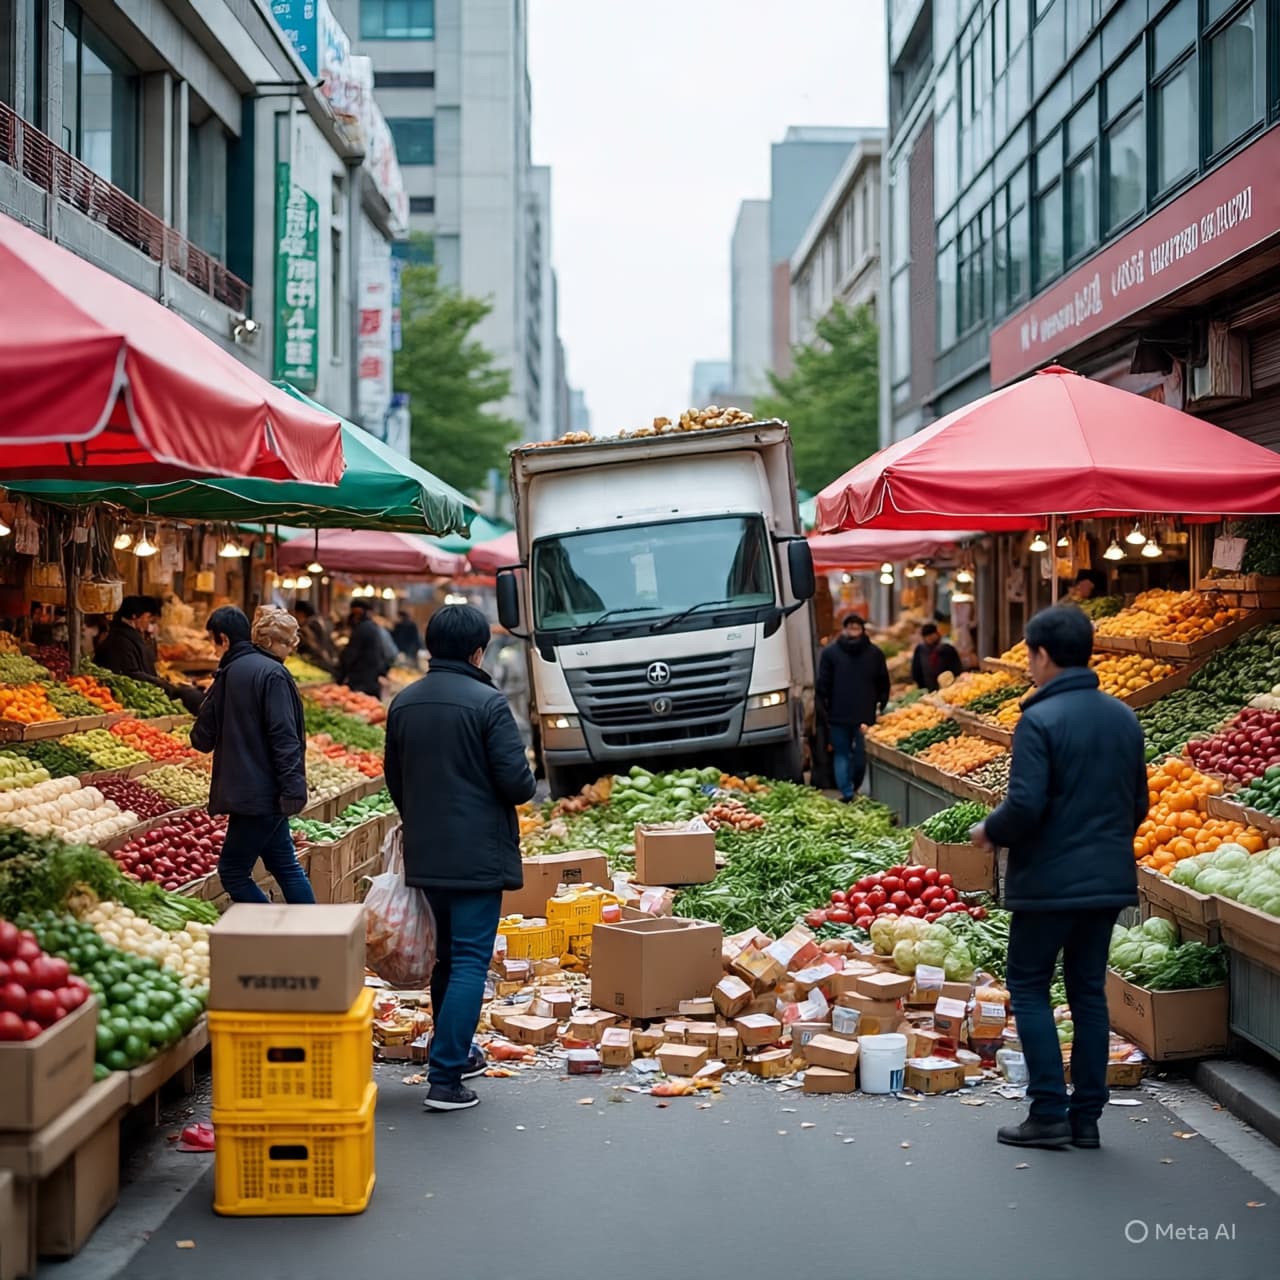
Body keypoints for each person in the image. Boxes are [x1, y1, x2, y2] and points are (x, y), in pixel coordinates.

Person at [971, 605, 1146, 1151]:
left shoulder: (1038, 721)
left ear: (1043, 655)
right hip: (1107, 879)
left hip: (1048, 883)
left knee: (1028, 987)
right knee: (1088, 993)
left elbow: (1024, 806)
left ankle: (1048, 1110)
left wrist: (989, 829)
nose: (1027, 666)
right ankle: (1087, 1118)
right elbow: (1138, 804)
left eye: (1028, 654)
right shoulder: (1124, 717)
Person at [383, 604, 536, 1113]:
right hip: (477, 853)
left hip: (427, 852)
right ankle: (446, 1079)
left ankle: (452, 1056)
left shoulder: (404, 702)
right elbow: (518, 785)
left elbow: (395, 780)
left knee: (446, 957)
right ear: (478, 650)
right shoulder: (488, 704)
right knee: (470, 958)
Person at [190, 606, 315, 905]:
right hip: (268, 793)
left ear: (222, 639)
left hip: (251, 796)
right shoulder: (273, 674)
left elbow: (200, 738)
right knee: (285, 865)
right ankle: (312, 938)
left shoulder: (229, 673)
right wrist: (292, 789)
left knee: (234, 872)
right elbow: (285, 739)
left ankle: (273, 936)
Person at [816, 613, 890, 802]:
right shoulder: (873, 653)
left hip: (844, 713)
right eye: (852, 627)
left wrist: (824, 707)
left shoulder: (831, 653)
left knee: (847, 755)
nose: (853, 631)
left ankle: (849, 790)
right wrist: (882, 701)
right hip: (858, 714)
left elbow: (823, 685)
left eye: (856, 628)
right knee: (855, 754)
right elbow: (884, 682)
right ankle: (851, 790)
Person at [96, 597, 204, 714]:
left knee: (191, 695)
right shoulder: (120, 640)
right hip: (133, 694)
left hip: (146, 689)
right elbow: (129, 673)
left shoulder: (129, 636)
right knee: (191, 696)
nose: (149, 623)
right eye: (147, 618)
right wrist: (161, 683)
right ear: (134, 616)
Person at [338, 602, 389, 697]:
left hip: (361, 680)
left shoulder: (362, 629)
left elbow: (350, 655)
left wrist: (340, 678)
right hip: (372, 678)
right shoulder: (372, 627)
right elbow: (382, 654)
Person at [911, 622, 963, 692]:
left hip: (948, 689)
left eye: (932, 635)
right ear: (924, 638)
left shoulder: (947, 649)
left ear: (937, 634)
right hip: (928, 690)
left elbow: (957, 668)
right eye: (927, 636)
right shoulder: (920, 650)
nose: (930, 638)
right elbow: (916, 670)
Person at [293, 601, 339, 675]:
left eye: (296, 613)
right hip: (328, 659)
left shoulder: (310, 625)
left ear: (301, 613)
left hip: (319, 661)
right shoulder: (321, 621)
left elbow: (313, 644)